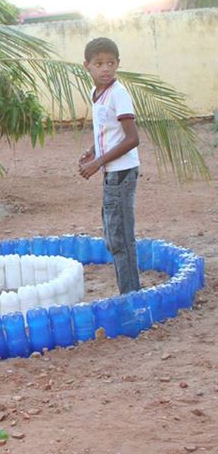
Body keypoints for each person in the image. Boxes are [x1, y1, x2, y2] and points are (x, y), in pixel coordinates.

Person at [78, 37, 141, 294]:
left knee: (121, 238)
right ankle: (129, 292)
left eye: (110, 63)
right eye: (99, 63)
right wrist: (93, 150)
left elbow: (132, 138)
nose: (105, 69)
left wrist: (98, 162)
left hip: (121, 172)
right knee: (112, 233)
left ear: (118, 64)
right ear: (87, 65)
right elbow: (106, 129)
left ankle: (131, 296)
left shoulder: (118, 93)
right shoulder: (96, 94)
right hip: (111, 172)